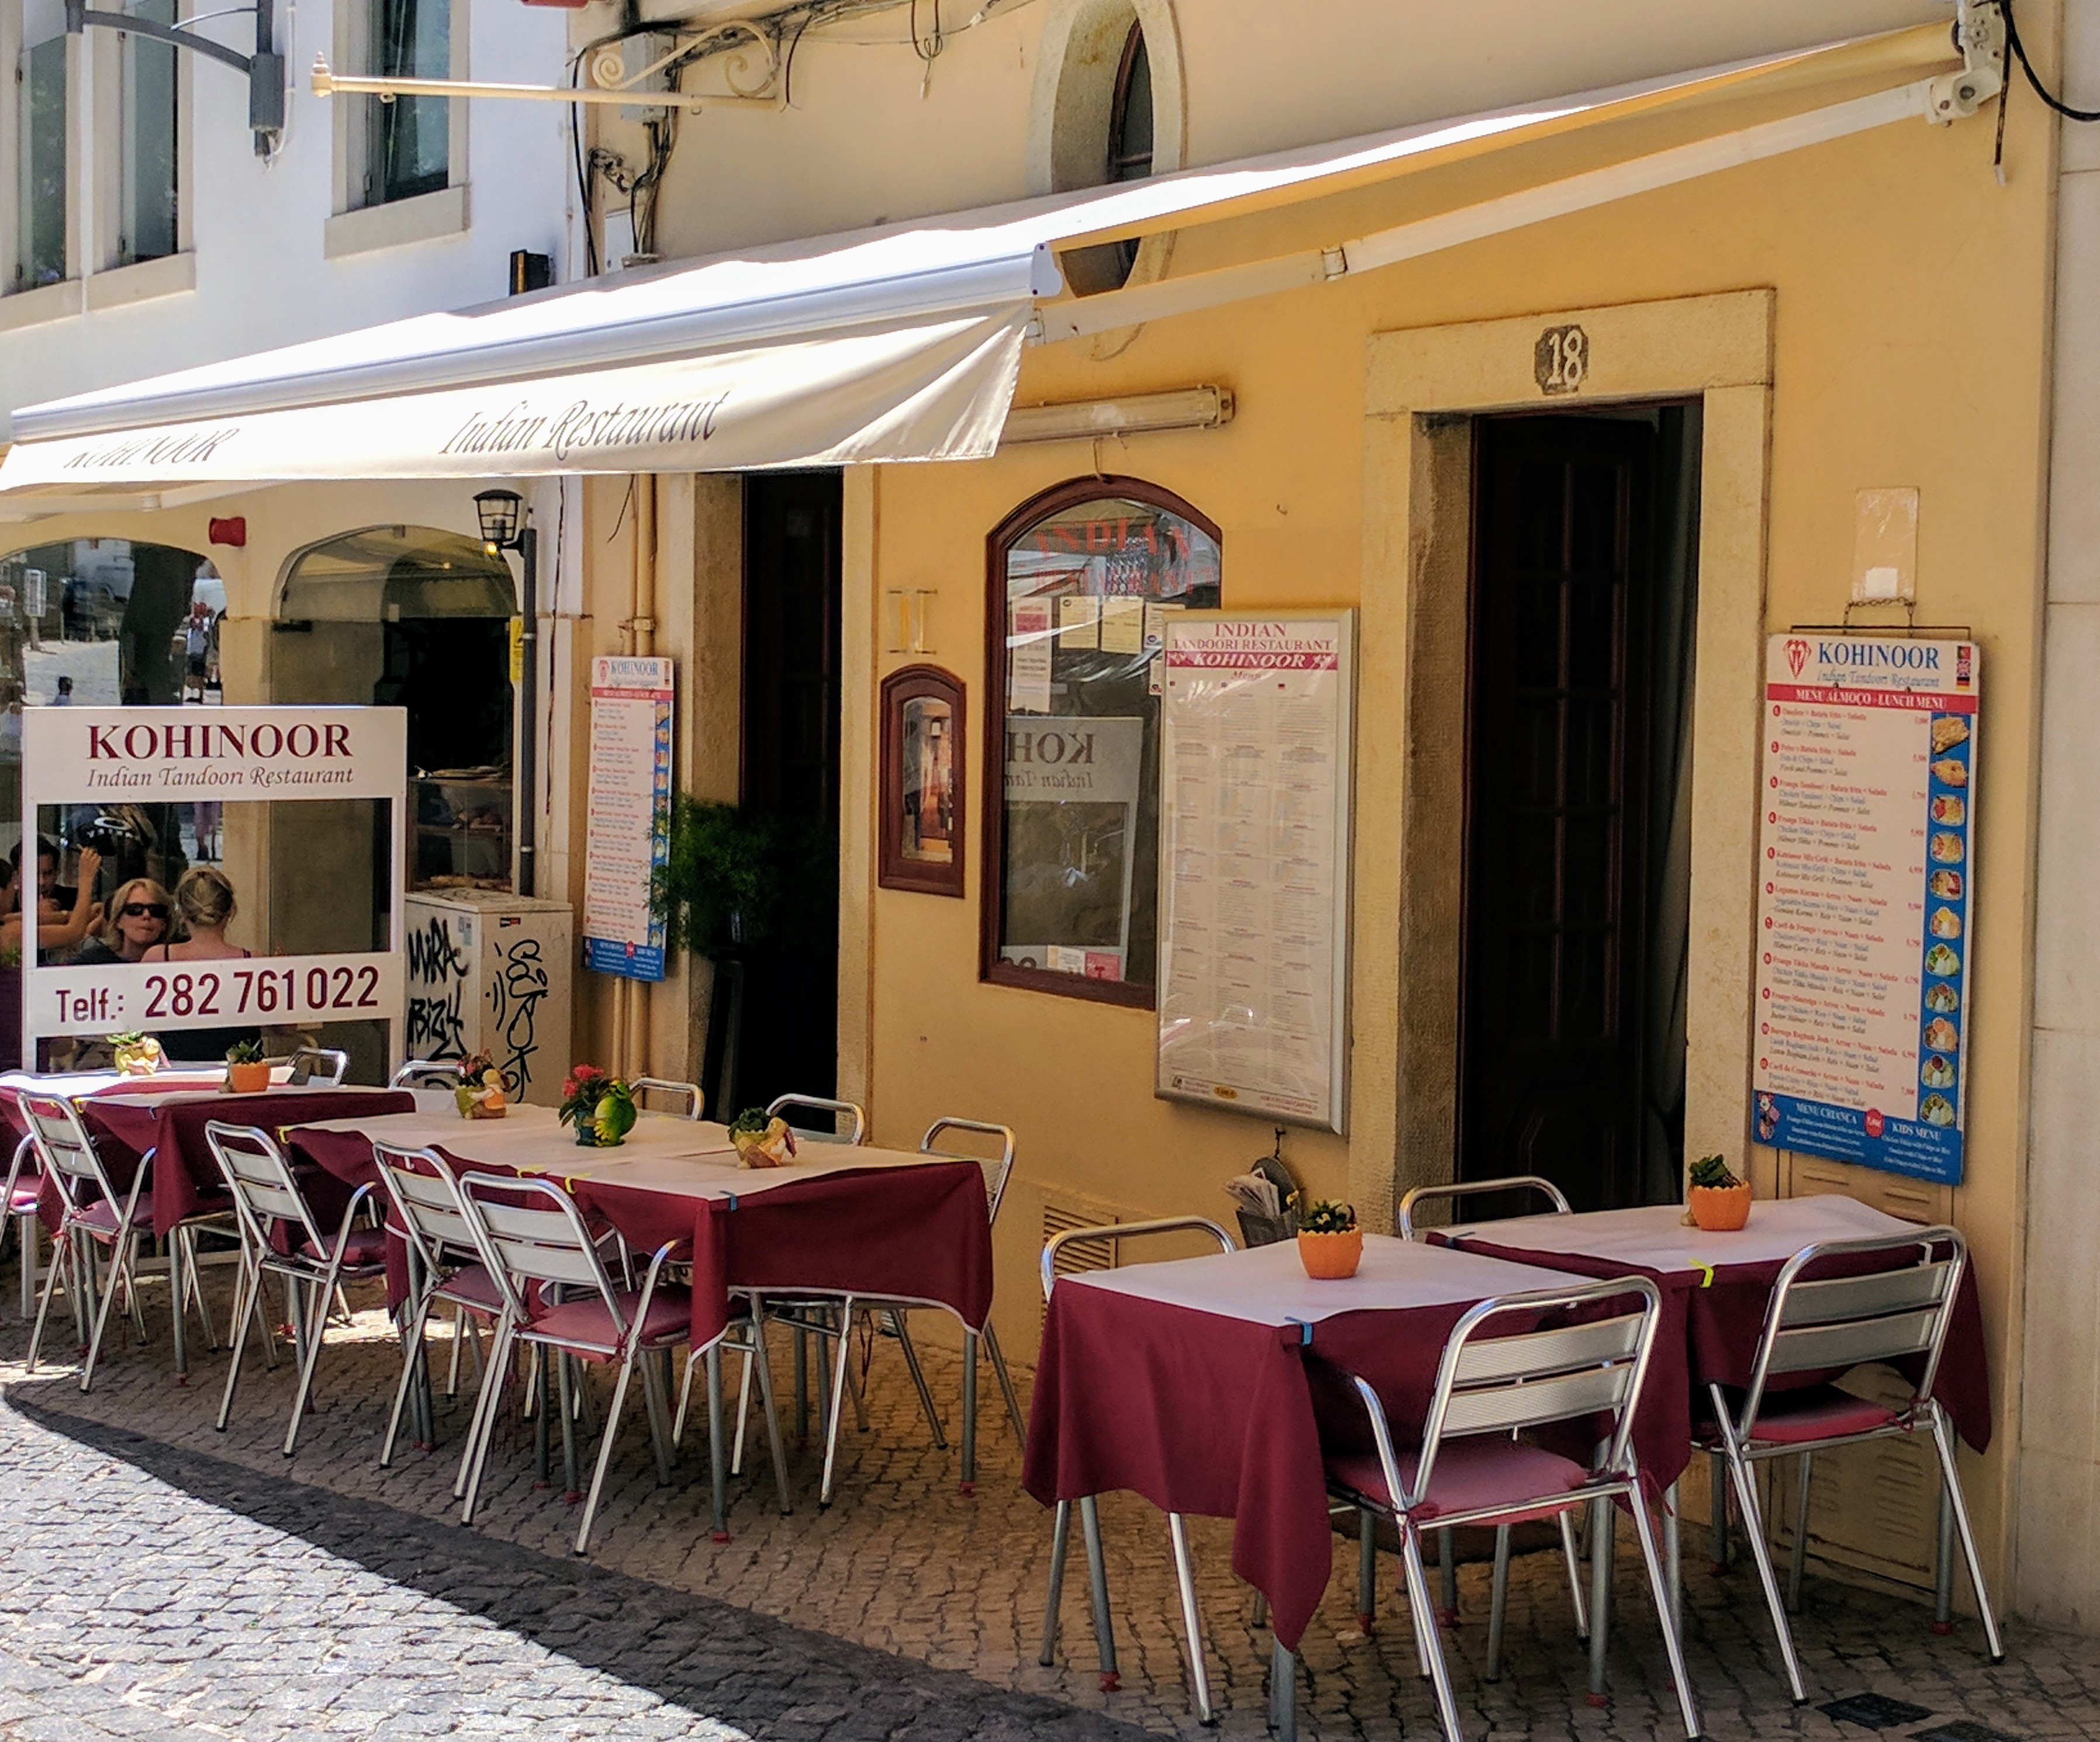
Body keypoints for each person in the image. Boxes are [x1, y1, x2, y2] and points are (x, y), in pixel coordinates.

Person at [144, 865, 260, 1062]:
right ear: (231, 911)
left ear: (182, 913)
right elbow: (285, 1028)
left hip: (174, 1072)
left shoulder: (157, 958)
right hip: (242, 1072)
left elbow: (137, 1026)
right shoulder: (255, 962)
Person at [4, 841, 102, 961]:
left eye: (48, 873)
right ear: (16, 875)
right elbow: (74, 932)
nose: (41, 882)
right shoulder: (7, 905)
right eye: (33, 873)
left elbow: (102, 926)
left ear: (57, 873)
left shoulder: (75, 898)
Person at [72, 874, 166, 965]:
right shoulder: (91, 961)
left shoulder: (173, 961)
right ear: (118, 920)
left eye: (156, 910)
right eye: (135, 909)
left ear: (164, 923)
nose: (147, 915)